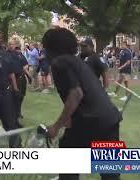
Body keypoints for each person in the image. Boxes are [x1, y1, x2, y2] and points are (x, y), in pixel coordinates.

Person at [42, 28, 122, 180]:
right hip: (110, 119)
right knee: (110, 172)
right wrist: (69, 119)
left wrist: (56, 126)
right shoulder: (79, 62)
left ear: (52, 47)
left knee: (68, 162)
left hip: (89, 121)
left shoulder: (60, 63)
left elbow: (76, 94)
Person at [8, 39, 31, 121]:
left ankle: (18, 112)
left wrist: (29, 76)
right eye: (9, 44)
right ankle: (12, 113)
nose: (11, 46)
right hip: (10, 79)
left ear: (15, 45)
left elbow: (25, 65)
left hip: (21, 78)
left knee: (21, 96)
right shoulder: (6, 54)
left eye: (12, 44)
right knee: (13, 96)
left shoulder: (19, 54)